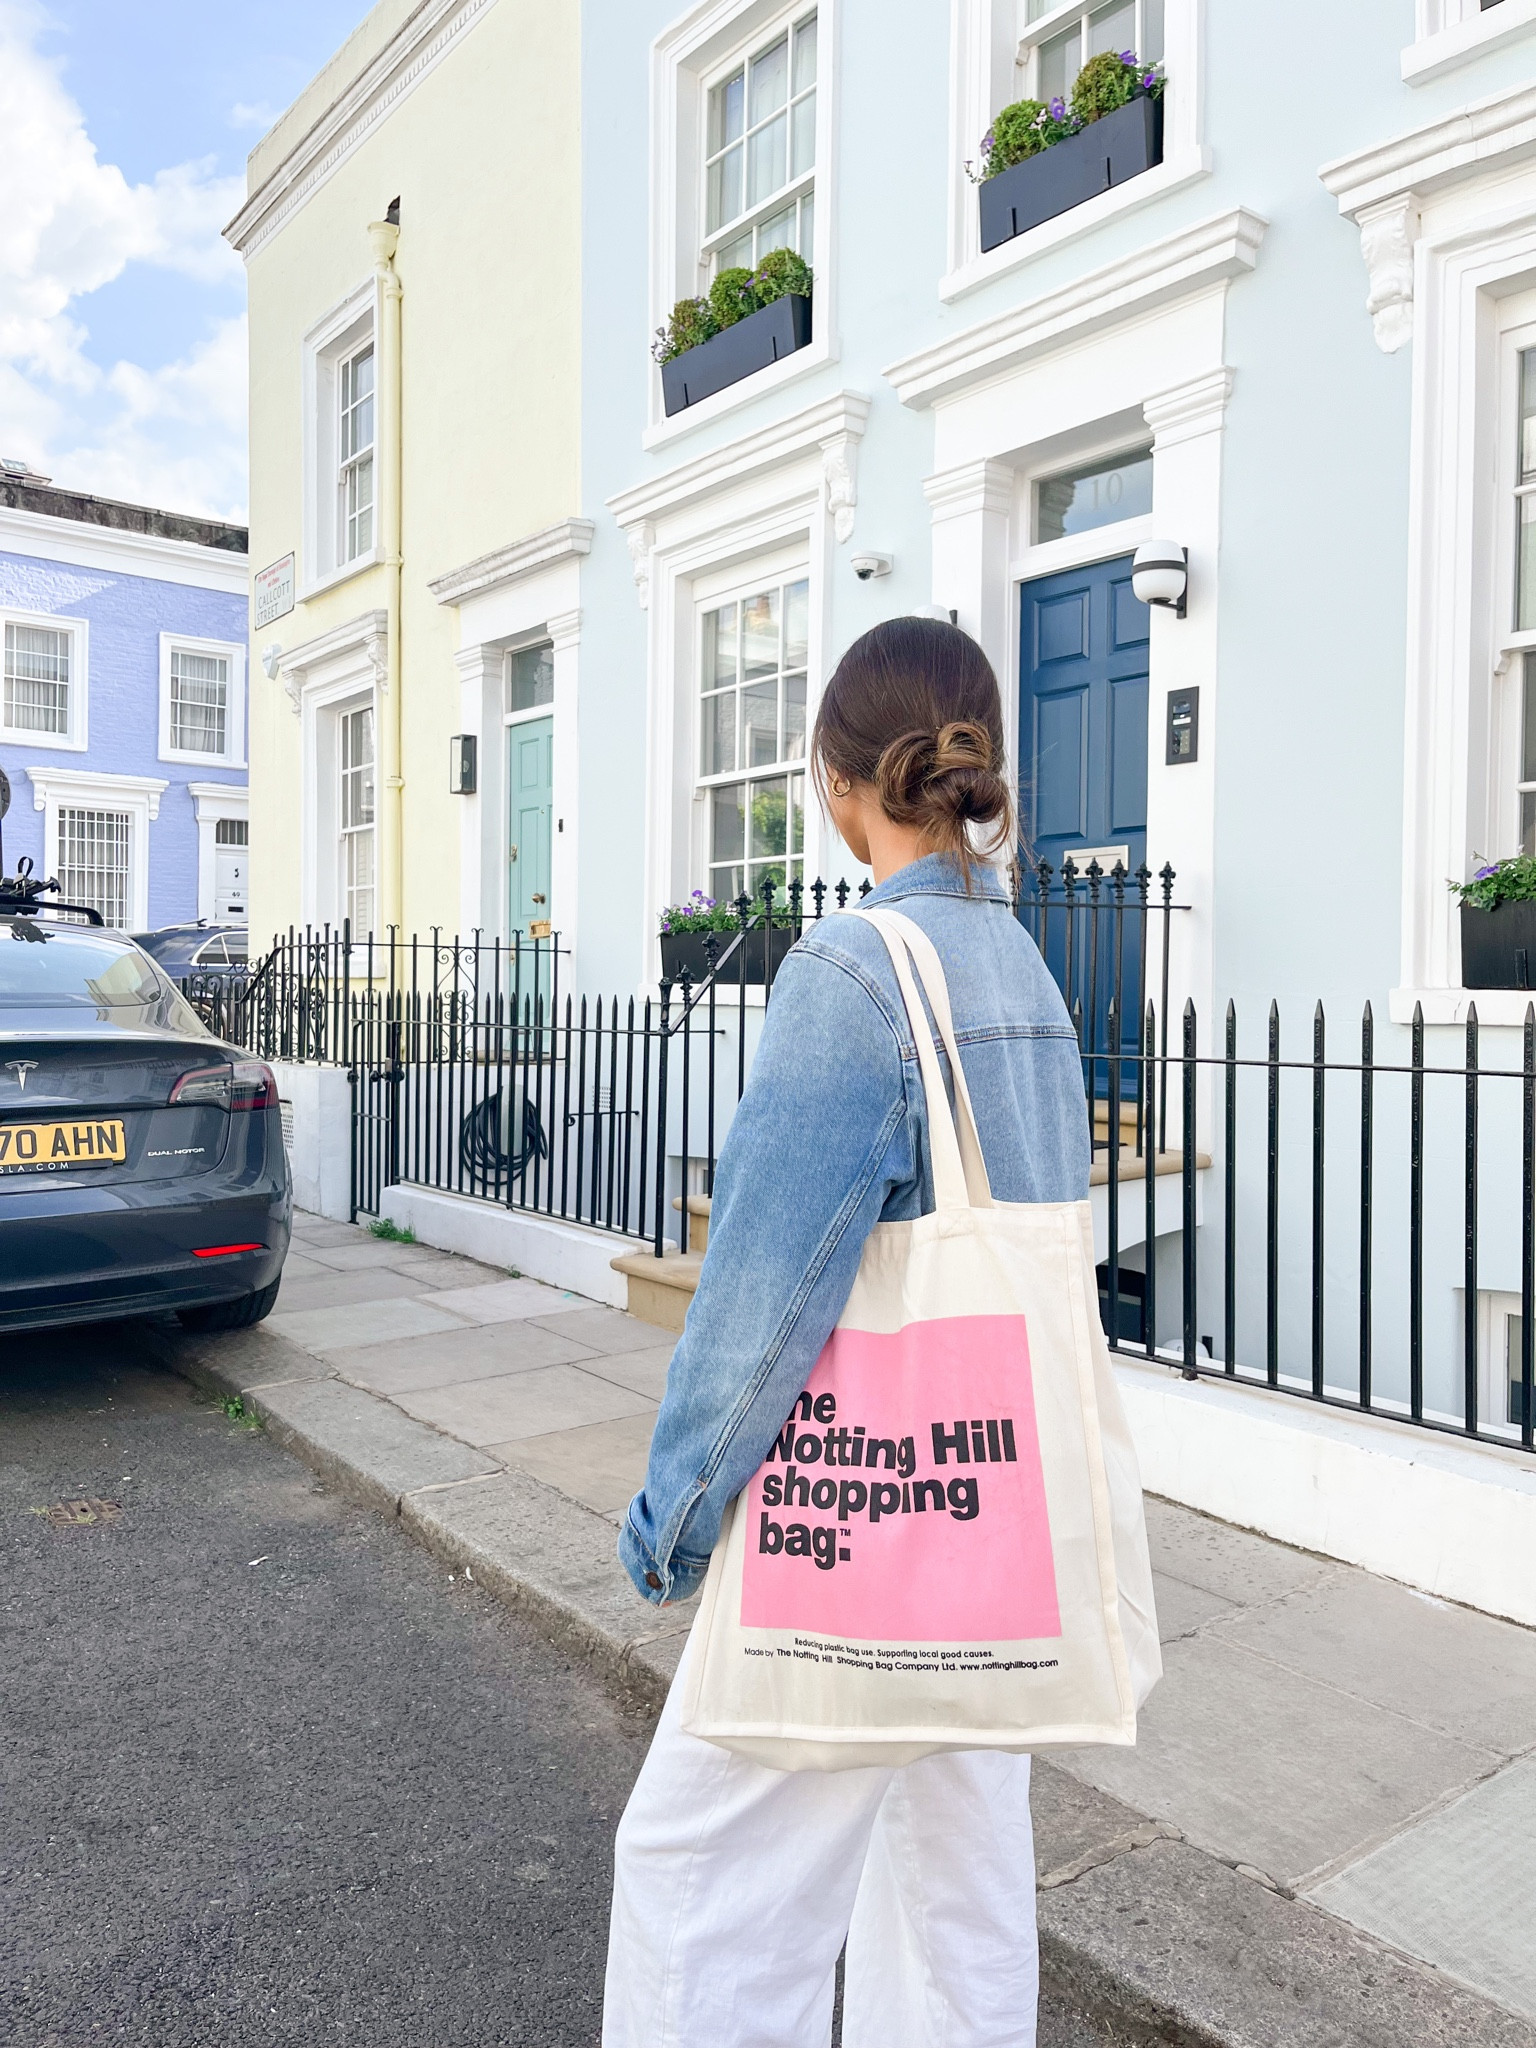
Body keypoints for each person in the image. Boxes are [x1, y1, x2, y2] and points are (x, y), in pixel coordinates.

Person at [604, 616, 1090, 2048]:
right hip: (992, 1516)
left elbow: (765, 1288)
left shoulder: (852, 967)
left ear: (835, 780)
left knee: (699, 1880)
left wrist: (676, 1513)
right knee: (953, 1887)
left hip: (855, 1516)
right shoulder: (1025, 970)